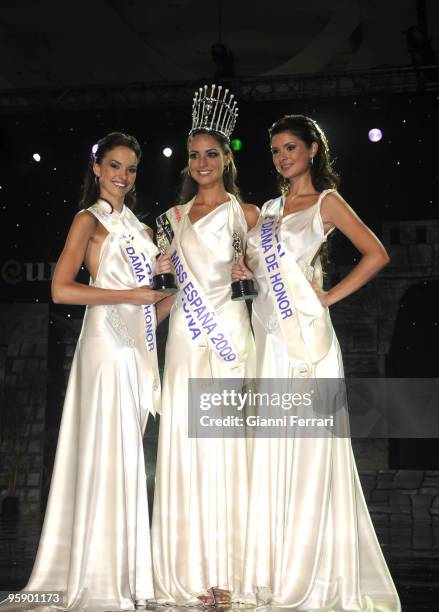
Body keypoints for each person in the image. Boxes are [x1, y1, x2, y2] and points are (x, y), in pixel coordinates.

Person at [233, 115, 401, 610]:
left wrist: (328, 299)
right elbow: (256, 273)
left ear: (311, 150)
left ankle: (315, 574)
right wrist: (243, 269)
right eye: (275, 151)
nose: (282, 158)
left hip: (307, 340)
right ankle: (274, 571)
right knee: (271, 448)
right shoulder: (265, 211)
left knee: (310, 451)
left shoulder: (327, 203)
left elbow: (377, 254)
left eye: (290, 148)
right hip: (268, 339)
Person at [24, 132, 168, 610]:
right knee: (103, 451)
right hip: (102, 346)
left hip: (134, 351)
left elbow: (151, 310)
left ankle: (123, 573)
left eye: (129, 168)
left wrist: (170, 290)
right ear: (97, 168)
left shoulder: (144, 232)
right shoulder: (87, 220)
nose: (121, 176)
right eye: (113, 166)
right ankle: (93, 573)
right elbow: (62, 291)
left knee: (127, 453)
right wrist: (129, 295)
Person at [151, 85, 259, 604]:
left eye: (210, 154)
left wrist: (252, 274)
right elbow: (165, 298)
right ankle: (191, 573)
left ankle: (230, 574)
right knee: (188, 450)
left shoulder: (249, 215)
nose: (201, 163)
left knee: (226, 452)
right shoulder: (170, 221)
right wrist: (158, 283)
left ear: (226, 157)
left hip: (230, 339)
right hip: (185, 344)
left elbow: (269, 279)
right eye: (193, 155)